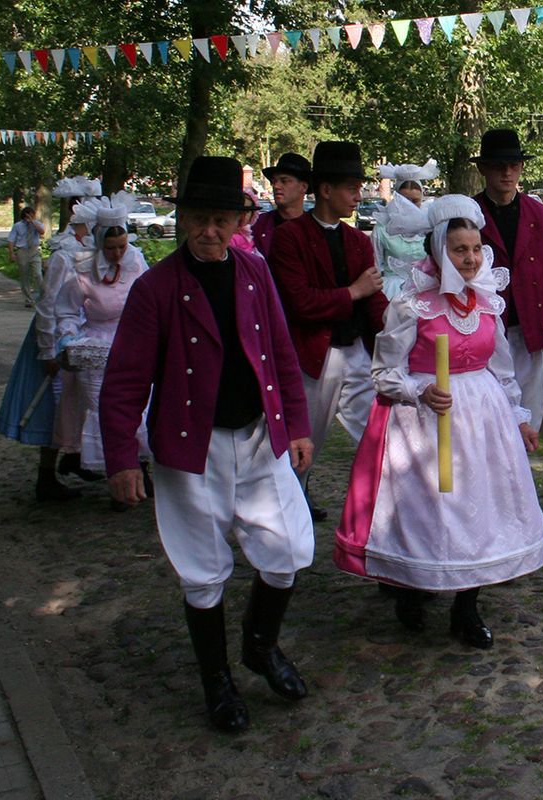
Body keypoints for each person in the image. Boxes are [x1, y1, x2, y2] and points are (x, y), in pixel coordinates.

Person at [100, 155, 315, 734]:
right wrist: (122, 458)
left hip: (258, 436)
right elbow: (124, 381)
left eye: (222, 219)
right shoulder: (156, 289)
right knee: (202, 570)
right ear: (183, 218)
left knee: (290, 550)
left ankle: (260, 647)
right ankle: (216, 681)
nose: (210, 231)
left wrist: (296, 423)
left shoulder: (255, 273)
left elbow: (281, 352)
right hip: (191, 452)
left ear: (240, 220)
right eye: (199, 218)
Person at [334, 195, 543, 649]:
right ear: (437, 251)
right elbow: (383, 374)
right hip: (423, 423)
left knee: (479, 510)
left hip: (482, 421)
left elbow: (504, 372)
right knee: (427, 512)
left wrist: (519, 418)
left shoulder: (488, 304)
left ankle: (467, 608)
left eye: (475, 249)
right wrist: (419, 390)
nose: (470, 259)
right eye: (458, 250)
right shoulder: (412, 307)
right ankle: (412, 587)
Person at [269, 141, 388, 522]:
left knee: (381, 438)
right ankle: (283, 524)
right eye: (351, 188)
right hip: (311, 358)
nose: (358, 195)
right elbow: (298, 302)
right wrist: (352, 292)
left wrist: (405, 327)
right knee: (302, 450)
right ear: (325, 190)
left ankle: (384, 517)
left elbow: (374, 305)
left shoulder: (358, 240)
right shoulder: (289, 237)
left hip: (356, 353)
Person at [471, 129, 543, 431]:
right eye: (498, 165)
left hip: (528, 331)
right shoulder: (469, 216)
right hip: (480, 331)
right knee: (484, 415)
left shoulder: (541, 217)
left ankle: (520, 475)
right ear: (483, 168)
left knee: (528, 415)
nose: (507, 172)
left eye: (513, 165)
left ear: (522, 167)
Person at [0, 178, 104, 503]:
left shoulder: (93, 249)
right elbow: (48, 304)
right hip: (57, 339)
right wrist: (47, 351)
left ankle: (74, 459)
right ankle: (45, 478)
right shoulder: (64, 254)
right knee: (54, 405)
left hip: (84, 334)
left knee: (84, 401)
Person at [52, 193, 151, 479]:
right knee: (103, 407)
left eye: (122, 247)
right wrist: (67, 337)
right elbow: (66, 311)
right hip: (97, 344)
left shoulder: (137, 264)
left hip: (132, 340)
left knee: (139, 404)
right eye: (111, 248)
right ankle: (113, 470)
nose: (117, 254)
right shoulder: (83, 272)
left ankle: (141, 467)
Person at [373, 159, 439, 299]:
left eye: (415, 201)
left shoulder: (431, 227)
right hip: (391, 291)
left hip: (426, 289)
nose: (410, 206)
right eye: (404, 201)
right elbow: (375, 267)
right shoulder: (382, 228)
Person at [251, 152, 311, 259]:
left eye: (284, 181)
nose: (276, 186)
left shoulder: (315, 231)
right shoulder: (257, 226)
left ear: (303, 187)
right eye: (274, 181)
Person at [7, 206, 46, 307]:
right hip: (22, 251)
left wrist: (33, 222)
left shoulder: (37, 224)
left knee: (38, 274)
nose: (30, 217)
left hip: (34, 250)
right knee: (25, 276)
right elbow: (11, 239)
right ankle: (29, 299)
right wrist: (11, 253)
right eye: (28, 215)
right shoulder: (18, 226)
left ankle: (42, 296)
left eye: (32, 215)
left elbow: (42, 232)